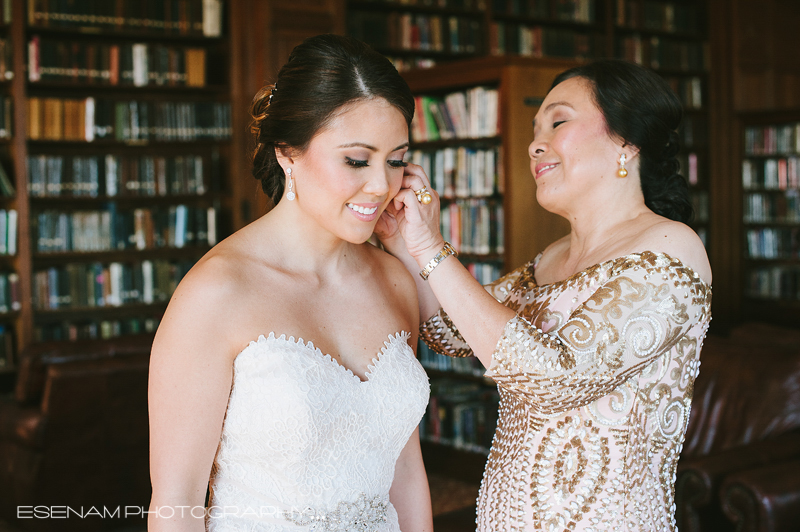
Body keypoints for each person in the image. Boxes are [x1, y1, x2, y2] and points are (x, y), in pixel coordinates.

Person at [376, 59, 712, 531]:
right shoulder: (551, 257)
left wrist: (433, 249)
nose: (535, 144)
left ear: (626, 143)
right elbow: (450, 330)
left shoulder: (671, 246)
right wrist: (403, 243)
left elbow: (554, 379)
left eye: (558, 122)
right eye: (536, 130)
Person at [148, 34, 432, 532]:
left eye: (395, 160)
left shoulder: (394, 279)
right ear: (287, 153)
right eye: (356, 160)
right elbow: (177, 499)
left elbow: (403, 467)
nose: (381, 185)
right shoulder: (216, 293)